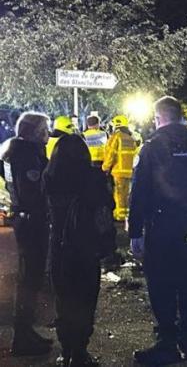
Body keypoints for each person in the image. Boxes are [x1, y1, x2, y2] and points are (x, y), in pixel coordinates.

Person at [129, 96, 187, 364]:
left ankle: (166, 343)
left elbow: (139, 193)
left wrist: (134, 232)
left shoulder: (152, 146)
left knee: (161, 285)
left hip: (161, 226)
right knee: (186, 284)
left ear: (159, 117)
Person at [43, 134, 115, 367]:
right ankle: (80, 351)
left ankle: (66, 349)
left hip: (60, 246)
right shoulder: (93, 176)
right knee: (85, 299)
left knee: (64, 299)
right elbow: (107, 207)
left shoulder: (50, 176)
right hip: (87, 247)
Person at [0, 111, 53, 356]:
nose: (48, 134)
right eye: (45, 129)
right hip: (33, 222)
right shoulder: (28, 155)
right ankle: (22, 336)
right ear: (33, 131)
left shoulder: (12, 152)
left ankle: (25, 331)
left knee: (28, 279)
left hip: (23, 219)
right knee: (30, 279)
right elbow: (36, 191)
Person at [102, 115, 137, 221]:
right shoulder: (131, 138)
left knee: (118, 195)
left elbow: (111, 153)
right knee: (126, 195)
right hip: (129, 171)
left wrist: (105, 167)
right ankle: (125, 215)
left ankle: (120, 217)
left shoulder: (116, 137)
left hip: (118, 172)